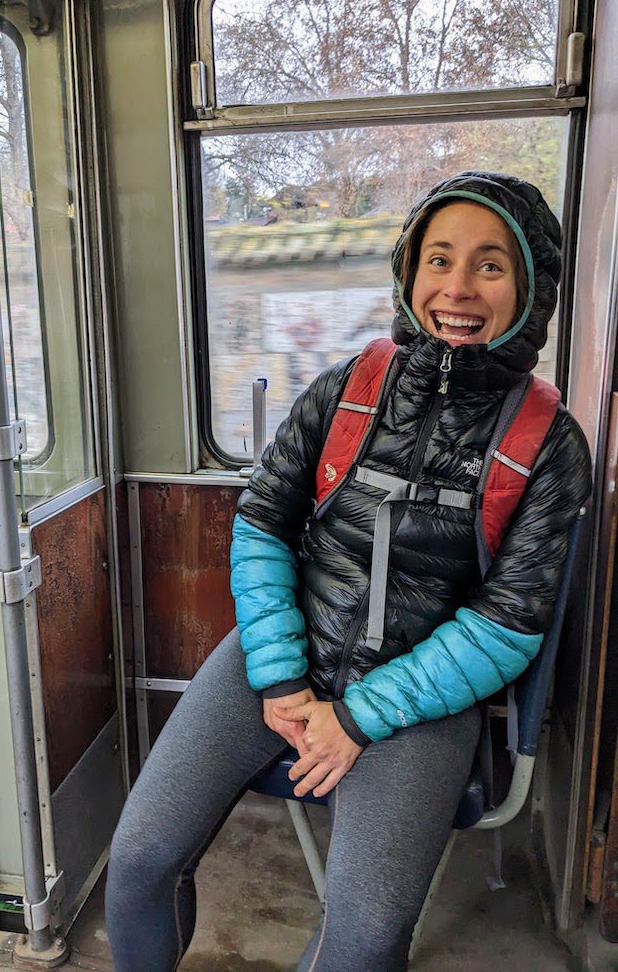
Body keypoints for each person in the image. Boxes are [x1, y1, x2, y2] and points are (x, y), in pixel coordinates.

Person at [105, 171, 592, 971]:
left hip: (422, 697)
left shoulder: (551, 446)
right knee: (137, 867)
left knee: (362, 943)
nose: (458, 288)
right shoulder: (345, 390)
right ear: (409, 272)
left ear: (529, 285)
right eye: (438, 260)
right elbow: (263, 521)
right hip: (283, 658)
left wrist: (358, 716)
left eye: (490, 265)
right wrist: (281, 678)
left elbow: (506, 627)